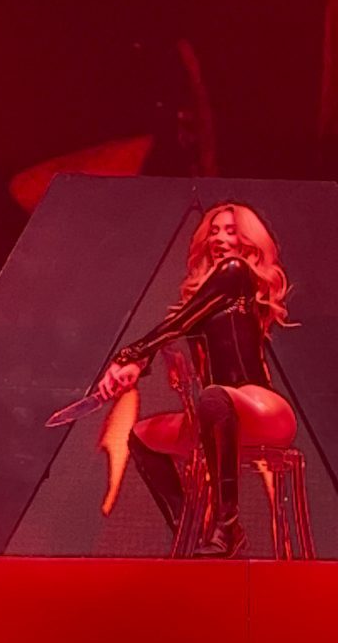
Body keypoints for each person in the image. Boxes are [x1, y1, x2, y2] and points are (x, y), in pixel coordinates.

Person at [98, 202, 297, 558]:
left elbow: (179, 324)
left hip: (261, 408)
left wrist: (128, 354)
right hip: (215, 413)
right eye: (214, 231)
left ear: (248, 242)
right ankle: (189, 530)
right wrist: (138, 366)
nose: (219, 239)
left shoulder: (236, 272)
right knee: (141, 437)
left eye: (231, 231)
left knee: (214, 396)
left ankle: (228, 526)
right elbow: (179, 332)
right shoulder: (210, 296)